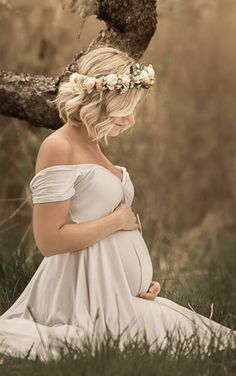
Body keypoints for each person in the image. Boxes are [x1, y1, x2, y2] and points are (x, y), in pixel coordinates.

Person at [0, 46, 235, 362]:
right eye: (124, 107)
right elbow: (49, 240)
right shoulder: (58, 147)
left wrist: (130, 280)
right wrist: (117, 221)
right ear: (98, 101)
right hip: (81, 297)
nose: (131, 118)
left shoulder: (94, 145)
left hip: (116, 291)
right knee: (189, 343)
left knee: (208, 339)